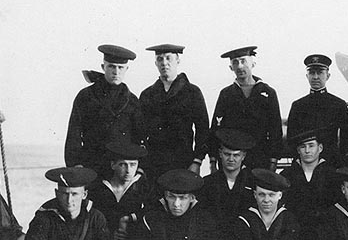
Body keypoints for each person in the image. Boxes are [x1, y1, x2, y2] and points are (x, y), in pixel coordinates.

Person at [65, 44, 144, 178]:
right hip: (92, 166)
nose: (116, 72)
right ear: (103, 67)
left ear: (126, 69)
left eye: (120, 67)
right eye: (111, 66)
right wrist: (75, 165)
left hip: (121, 170)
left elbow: (139, 138)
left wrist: (138, 168)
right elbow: (74, 134)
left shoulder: (132, 100)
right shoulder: (86, 96)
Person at [139, 44, 209, 181]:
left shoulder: (192, 92)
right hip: (154, 163)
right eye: (160, 59)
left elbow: (203, 129)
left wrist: (197, 161)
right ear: (155, 63)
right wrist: (142, 165)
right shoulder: (147, 94)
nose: (164, 63)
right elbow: (140, 131)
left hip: (183, 161)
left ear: (177, 60)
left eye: (168, 58)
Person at [210, 46, 282, 172]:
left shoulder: (268, 93)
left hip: (259, 159)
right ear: (231, 67)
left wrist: (273, 161)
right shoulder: (226, 94)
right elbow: (216, 128)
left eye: (243, 61)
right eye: (235, 62)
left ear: (253, 64)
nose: (240, 66)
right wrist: (213, 161)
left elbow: (275, 129)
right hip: (232, 160)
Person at [86, 140, 158, 240]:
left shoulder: (144, 187)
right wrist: (110, 234)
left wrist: (128, 219)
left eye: (133, 165)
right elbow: (93, 219)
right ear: (113, 165)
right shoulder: (99, 189)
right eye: (123, 164)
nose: (129, 170)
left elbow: (153, 211)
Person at [198, 128, 257, 240]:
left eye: (236, 155)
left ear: (243, 156)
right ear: (220, 154)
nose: (231, 159)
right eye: (227, 154)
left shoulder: (253, 183)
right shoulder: (207, 183)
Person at [280, 129, 342, 240]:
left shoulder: (332, 175)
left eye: (311, 146)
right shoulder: (287, 175)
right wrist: (292, 238)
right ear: (298, 150)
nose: (307, 150)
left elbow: (336, 211)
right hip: (295, 236)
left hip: (325, 237)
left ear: (320, 148)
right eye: (303, 147)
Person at [287, 54, 348, 167]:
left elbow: (347, 137)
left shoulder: (338, 104)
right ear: (307, 76)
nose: (316, 77)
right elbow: (291, 138)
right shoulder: (298, 105)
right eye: (312, 73)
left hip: (331, 163)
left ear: (328, 76)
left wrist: (345, 162)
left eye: (320, 72)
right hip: (304, 163)